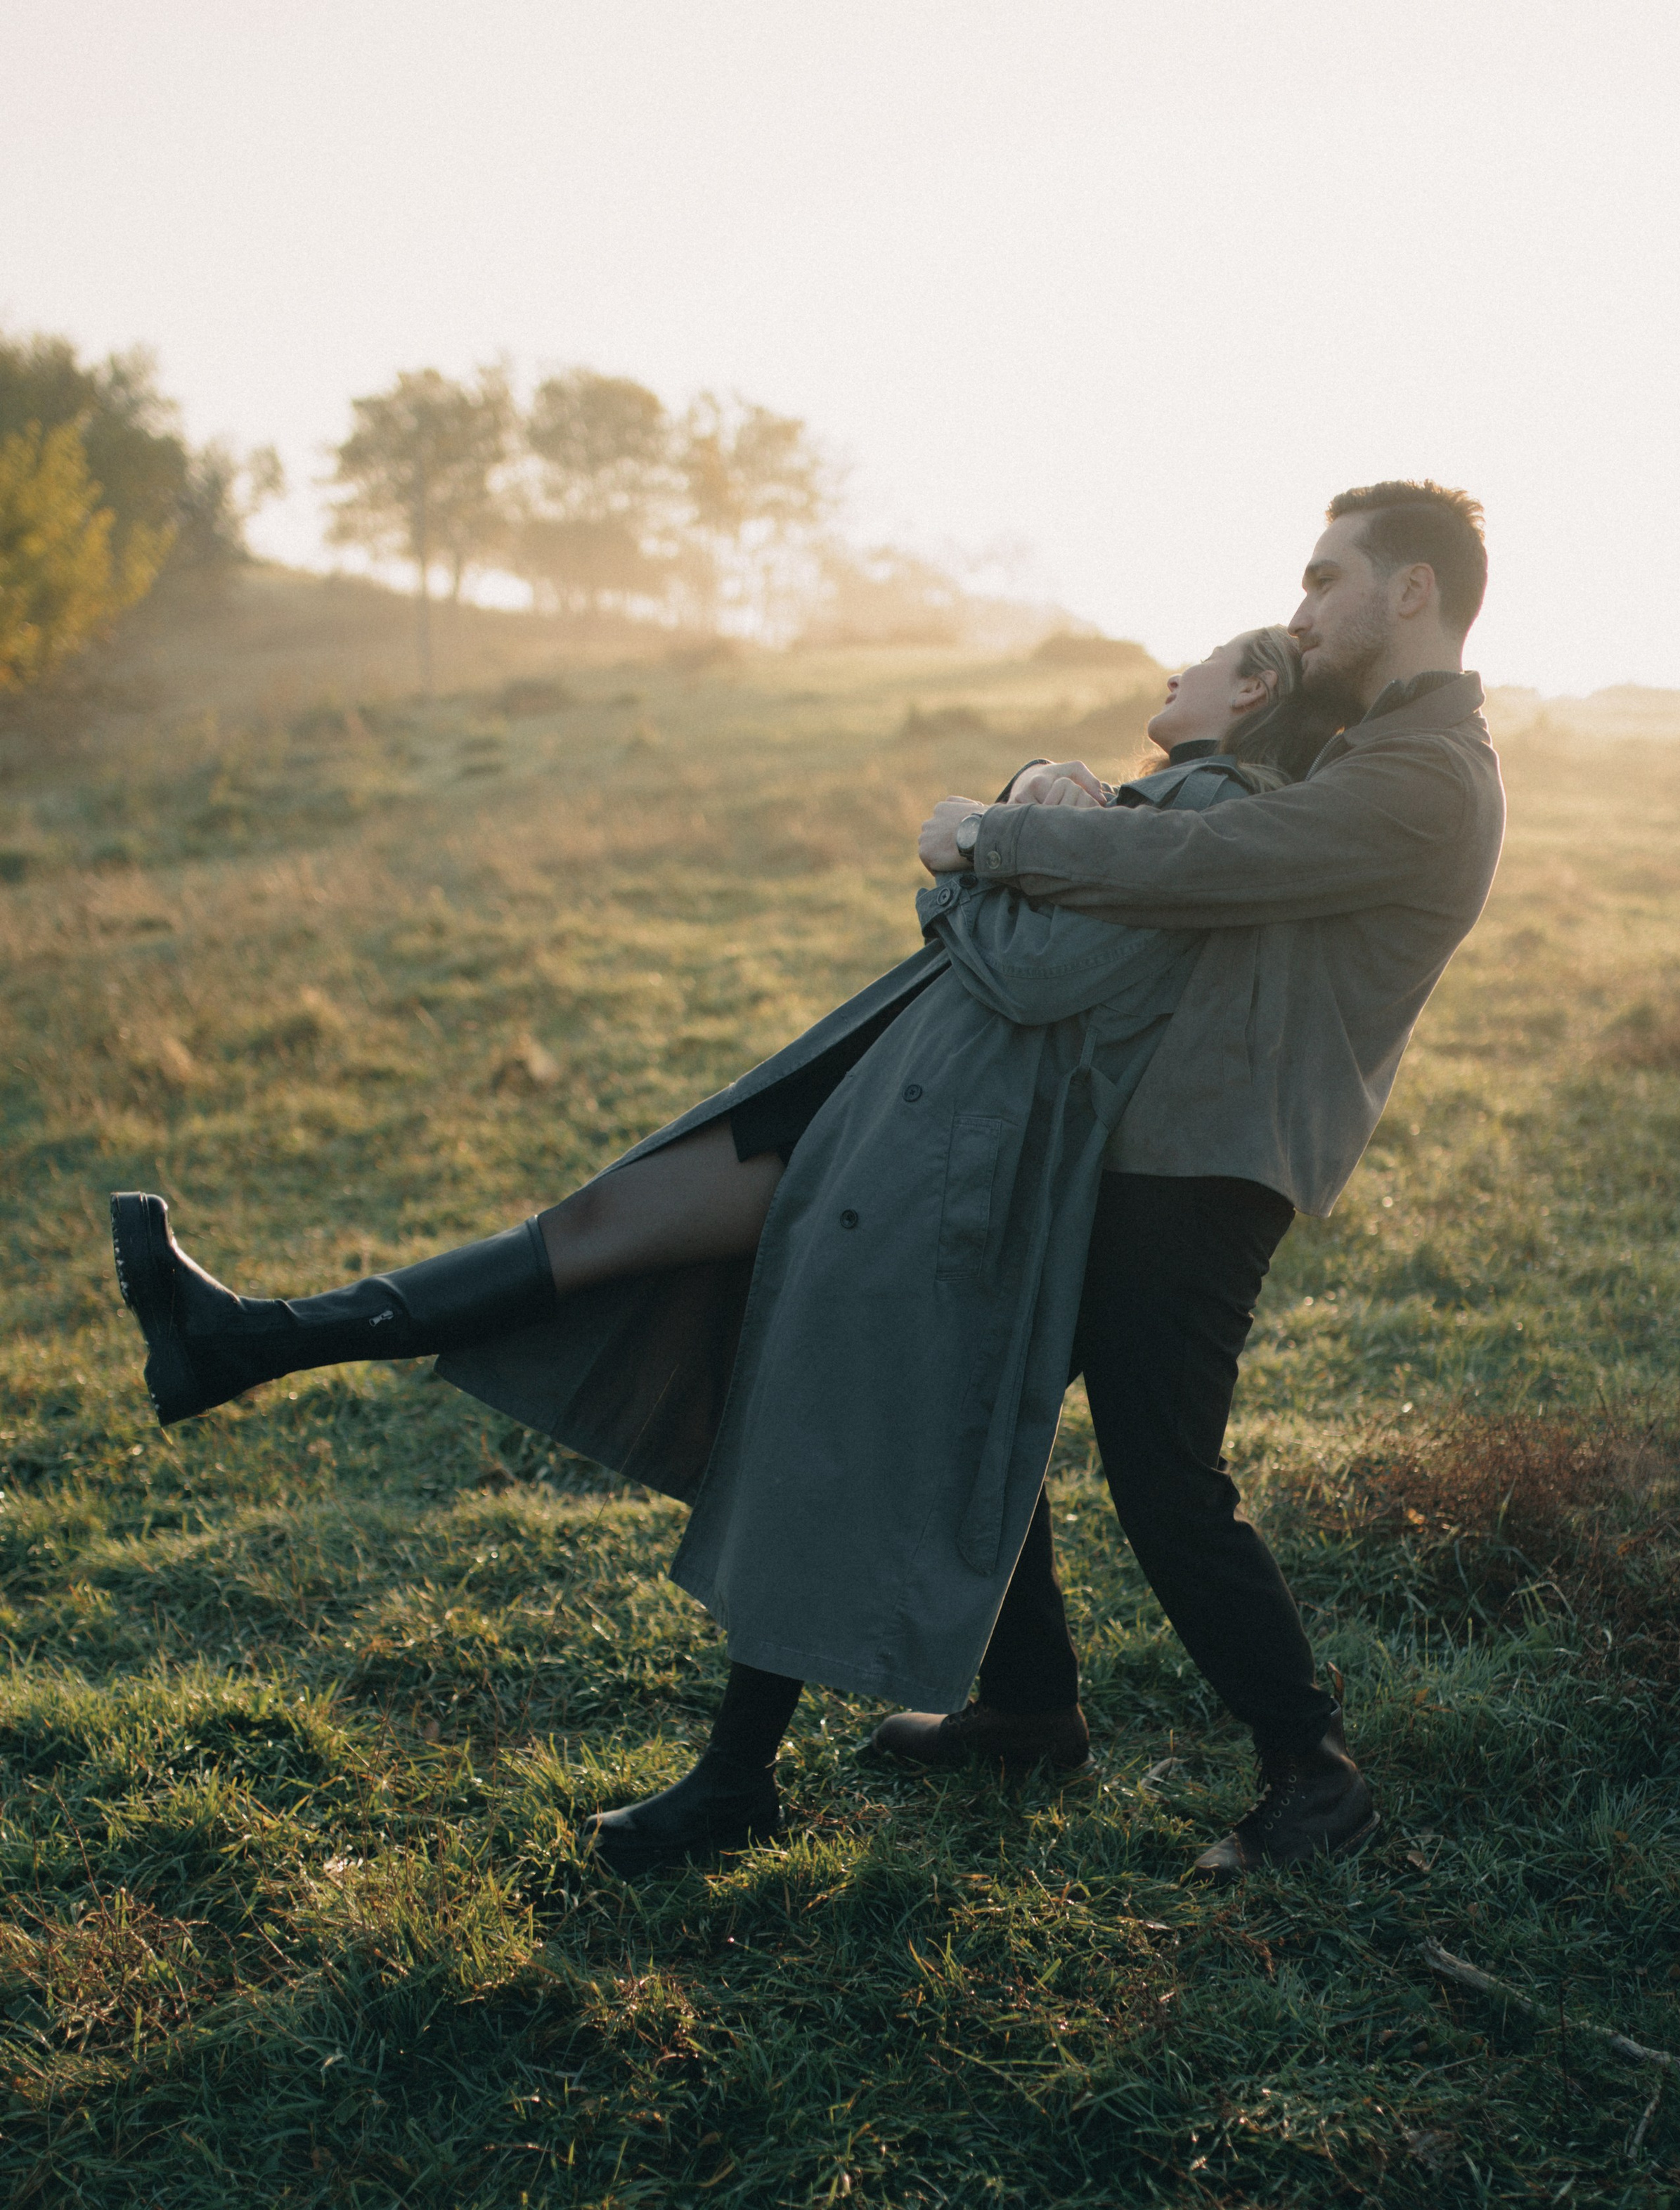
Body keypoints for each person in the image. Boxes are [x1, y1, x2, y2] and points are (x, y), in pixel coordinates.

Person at [112, 626, 1330, 1873]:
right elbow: (1034, 906)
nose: (1174, 668)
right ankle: (248, 1338)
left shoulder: (1213, 812)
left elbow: (1037, 969)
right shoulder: (1145, 799)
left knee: (823, 1416)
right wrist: (1026, 790)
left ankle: (740, 1778)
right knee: (599, 1226)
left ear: (1254, 691)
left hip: (943, 1141)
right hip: (868, 1092)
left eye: (1211, 657)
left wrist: (974, 848)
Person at [900, 479, 1505, 1879]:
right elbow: (1176, 788)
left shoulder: (1423, 778)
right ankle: (1028, 1705)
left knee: (1165, 1473)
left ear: (1409, 590)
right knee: (984, 1390)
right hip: (1150, 1133)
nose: (1297, 614)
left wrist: (991, 836)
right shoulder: (1356, 743)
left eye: (1320, 580)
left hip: (1216, 1157)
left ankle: (1313, 1775)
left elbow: (1202, 854)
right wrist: (1062, 778)